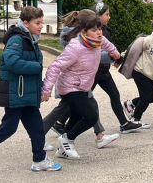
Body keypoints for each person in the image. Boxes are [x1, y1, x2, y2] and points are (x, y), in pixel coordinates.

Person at [0, 6, 62, 175]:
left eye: (41, 22)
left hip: (25, 94)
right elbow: (11, 62)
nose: (40, 26)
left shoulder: (30, 38)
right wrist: (37, 67)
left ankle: (39, 160)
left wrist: (39, 89)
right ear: (26, 23)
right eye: (37, 23)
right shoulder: (17, 39)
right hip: (15, 93)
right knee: (9, 127)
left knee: (37, 127)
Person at [41, 11, 120, 159]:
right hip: (70, 87)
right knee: (91, 116)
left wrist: (115, 53)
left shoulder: (97, 41)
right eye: (94, 30)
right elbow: (55, 67)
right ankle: (67, 140)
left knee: (76, 118)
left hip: (82, 86)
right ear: (84, 32)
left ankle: (63, 150)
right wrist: (47, 89)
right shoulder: (75, 47)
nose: (99, 33)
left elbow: (107, 44)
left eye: (100, 29)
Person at [90, 2, 142, 133]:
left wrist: (116, 58)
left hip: (102, 71)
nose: (109, 17)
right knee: (80, 100)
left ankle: (124, 124)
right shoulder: (98, 32)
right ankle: (60, 123)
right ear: (97, 15)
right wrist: (117, 58)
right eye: (107, 14)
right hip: (96, 71)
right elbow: (106, 50)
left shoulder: (103, 30)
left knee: (114, 95)